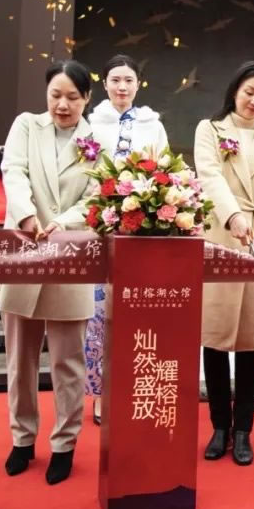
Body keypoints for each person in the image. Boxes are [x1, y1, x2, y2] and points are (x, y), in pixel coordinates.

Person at [0, 60, 95, 484]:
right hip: (24, 250)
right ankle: (22, 438)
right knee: (20, 359)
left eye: (72, 97)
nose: (62, 105)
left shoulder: (97, 141)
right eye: (55, 95)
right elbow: (13, 171)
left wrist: (62, 223)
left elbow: (96, 196)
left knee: (69, 362)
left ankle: (64, 444)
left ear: (87, 98)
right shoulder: (26, 126)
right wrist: (27, 216)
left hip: (70, 256)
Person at [194, 61, 254, 465]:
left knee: (250, 341)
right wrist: (232, 215)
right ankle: (219, 426)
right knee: (215, 339)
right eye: (250, 92)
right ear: (235, 90)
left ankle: (244, 430)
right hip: (220, 238)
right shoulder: (210, 130)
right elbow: (209, 177)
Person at [86, 54, 168, 424]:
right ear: (104, 83)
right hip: (98, 227)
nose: (122, 87)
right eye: (115, 80)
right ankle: (101, 392)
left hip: (141, 228)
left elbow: (164, 171)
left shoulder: (154, 124)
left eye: (129, 80)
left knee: (139, 309)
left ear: (138, 84)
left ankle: (134, 385)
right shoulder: (90, 123)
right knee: (99, 313)